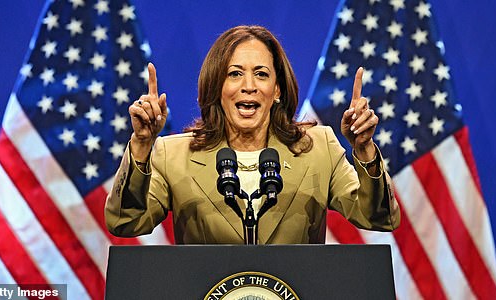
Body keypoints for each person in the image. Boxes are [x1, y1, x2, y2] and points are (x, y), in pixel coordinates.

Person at [105, 25, 400, 244]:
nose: (249, 85)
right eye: (234, 74)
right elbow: (125, 222)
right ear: (217, 88)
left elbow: (380, 217)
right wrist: (142, 145)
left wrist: (364, 150)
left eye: (261, 74)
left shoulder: (318, 149)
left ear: (277, 90)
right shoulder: (174, 155)